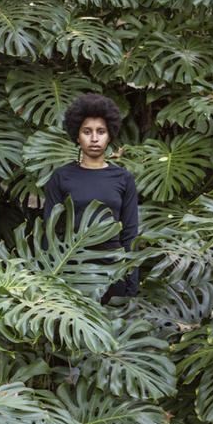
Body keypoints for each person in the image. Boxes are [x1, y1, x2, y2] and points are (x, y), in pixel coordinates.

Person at [42, 92, 140, 298]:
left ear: (110, 135)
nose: (94, 138)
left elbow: (130, 234)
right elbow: (50, 232)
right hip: (71, 269)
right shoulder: (61, 177)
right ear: (77, 136)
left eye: (101, 131)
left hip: (113, 271)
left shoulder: (123, 179)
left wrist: (131, 283)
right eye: (87, 131)